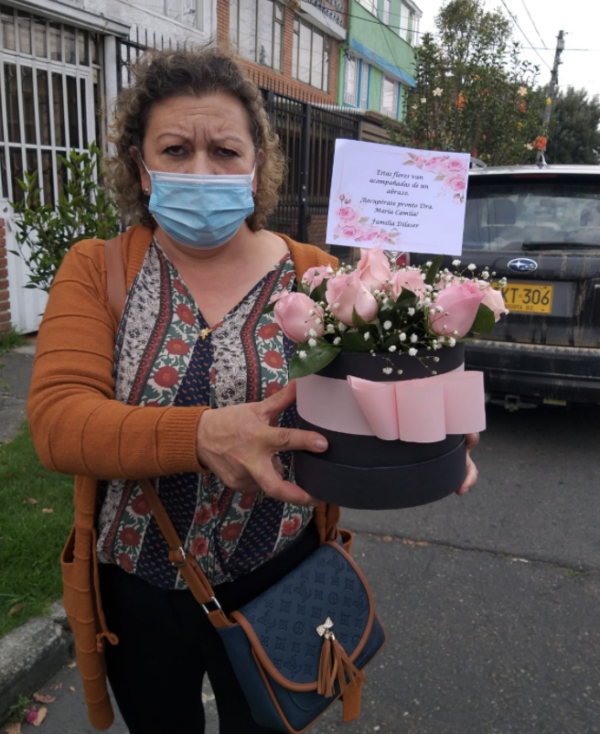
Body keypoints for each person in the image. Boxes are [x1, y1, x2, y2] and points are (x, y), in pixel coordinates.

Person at [27, 48, 479, 734]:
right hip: (139, 586)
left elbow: (367, 396)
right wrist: (202, 435)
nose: (201, 171)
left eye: (225, 150)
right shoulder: (98, 270)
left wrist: (435, 433)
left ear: (258, 160)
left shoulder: (317, 275)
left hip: (281, 575)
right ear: (139, 165)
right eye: (175, 149)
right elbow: (60, 422)